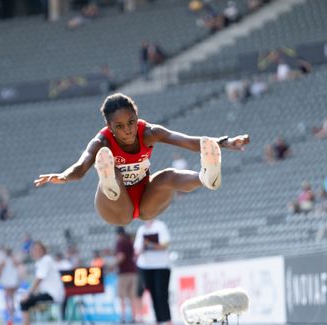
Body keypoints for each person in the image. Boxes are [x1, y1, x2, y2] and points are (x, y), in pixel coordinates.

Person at [34, 93, 250, 226]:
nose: (128, 130)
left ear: (136, 116)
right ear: (110, 127)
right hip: (115, 210)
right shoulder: (101, 143)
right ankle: (110, 182)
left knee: (168, 176)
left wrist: (223, 143)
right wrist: (63, 176)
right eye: (119, 127)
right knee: (113, 171)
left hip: (147, 200)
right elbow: (81, 168)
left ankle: (205, 178)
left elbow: (186, 141)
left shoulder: (149, 132)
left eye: (131, 122)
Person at [134, 219, 173, 325]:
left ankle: (167, 321)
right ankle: (158, 322)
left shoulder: (160, 226)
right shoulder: (141, 229)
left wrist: (150, 244)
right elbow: (137, 250)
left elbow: (165, 244)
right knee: (153, 294)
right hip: (145, 266)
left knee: (162, 293)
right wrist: (142, 247)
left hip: (161, 265)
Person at [20, 242, 65, 325]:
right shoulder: (41, 262)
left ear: (43, 250)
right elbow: (41, 282)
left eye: (39, 250)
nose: (36, 252)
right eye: (34, 250)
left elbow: (39, 279)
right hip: (48, 292)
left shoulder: (46, 260)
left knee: (24, 302)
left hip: (53, 293)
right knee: (28, 301)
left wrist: (28, 294)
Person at [115, 227, 140, 324]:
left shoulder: (120, 241)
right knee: (132, 296)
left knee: (122, 296)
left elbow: (121, 256)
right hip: (133, 271)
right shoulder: (130, 241)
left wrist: (113, 265)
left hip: (124, 273)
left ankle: (123, 317)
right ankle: (134, 317)